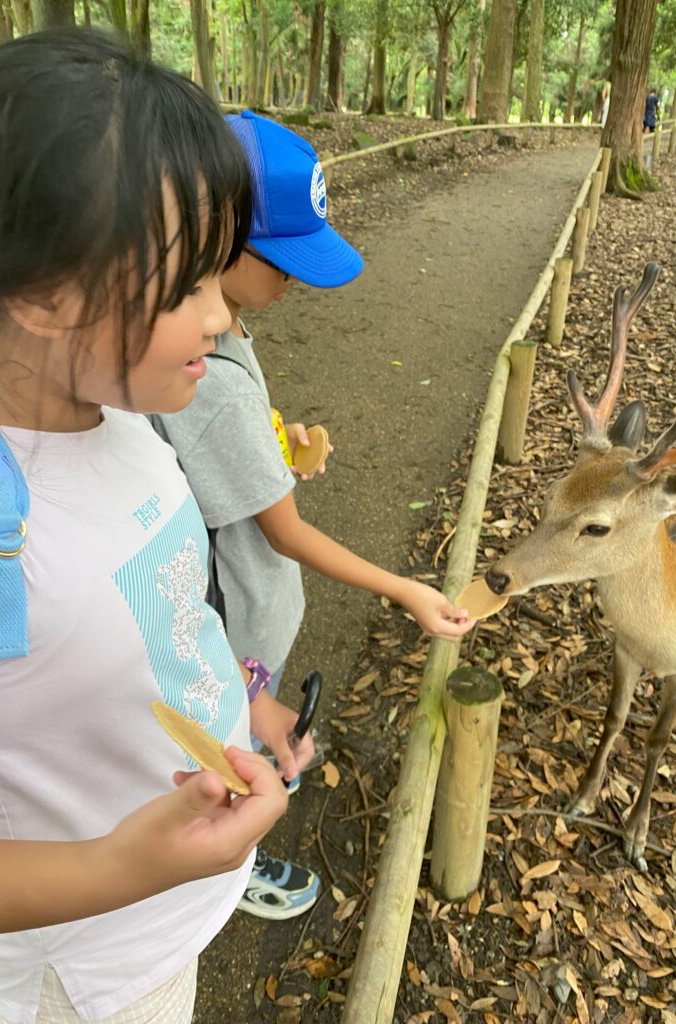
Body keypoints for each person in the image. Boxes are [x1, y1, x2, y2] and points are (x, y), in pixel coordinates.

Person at [0, 29, 313, 1023]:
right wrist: (119, 864)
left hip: (164, 927)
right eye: (190, 285)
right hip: (71, 980)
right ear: (47, 294)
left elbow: (159, 607)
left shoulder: (122, 409)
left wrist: (241, 709)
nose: (220, 317)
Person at [151, 112, 474, 919]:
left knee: (244, 718)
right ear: (215, 240)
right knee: (214, 743)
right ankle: (226, 870)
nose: (293, 280)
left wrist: (278, 443)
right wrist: (404, 589)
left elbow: (224, 439)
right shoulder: (211, 379)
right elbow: (283, 530)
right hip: (230, 614)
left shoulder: (222, 337)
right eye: (281, 260)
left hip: (244, 618)